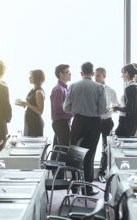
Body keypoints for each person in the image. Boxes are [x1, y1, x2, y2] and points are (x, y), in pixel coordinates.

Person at [63, 62, 106, 196]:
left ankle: (74, 186)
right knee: (90, 155)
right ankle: (87, 188)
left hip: (78, 121)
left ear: (81, 73)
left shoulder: (73, 86)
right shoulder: (99, 87)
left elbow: (66, 108)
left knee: (75, 154)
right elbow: (102, 109)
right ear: (93, 74)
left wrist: (77, 110)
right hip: (93, 123)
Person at [94, 67, 118, 183]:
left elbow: (116, 107)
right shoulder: (92, 89)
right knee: (92, 147)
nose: (96, 77)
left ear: (104, 76)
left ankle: (101, 173)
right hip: (94, 121)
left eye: (98, 75)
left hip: (107, 122)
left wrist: (108, 109)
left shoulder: (111, 91)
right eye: (95, 75)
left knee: (105, 149)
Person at [113, 64, 137, 137]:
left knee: (112, 140)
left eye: (122, 74)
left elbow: (129, 109)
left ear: (126, 73)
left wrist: (116, 108)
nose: (121, 76)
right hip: (133, 124)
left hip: (125, 123)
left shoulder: (128, 89)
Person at [16, 70, 45, 136]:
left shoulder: (39, 92)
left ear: (36, 78)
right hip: (29, 122)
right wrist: (24, 104)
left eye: (31, 76)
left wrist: (27, 104)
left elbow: (40, 111)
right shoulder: (33, 90)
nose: (29, 78)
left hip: (35, 123)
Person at [50, 64, 73, 146]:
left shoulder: (63, 88)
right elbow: (57, 108)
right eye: (68, 72)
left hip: (62, 122)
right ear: (61, 74)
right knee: (64, 149)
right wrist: (73, 111)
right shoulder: (59, 89)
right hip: (61, 123)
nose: (70, 74)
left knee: (58, 149)